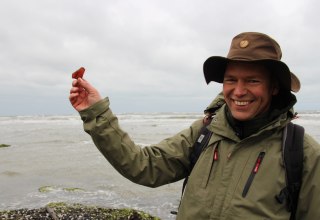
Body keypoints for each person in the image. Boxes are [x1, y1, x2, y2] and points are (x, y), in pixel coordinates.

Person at [69, 32, 320, 219]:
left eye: (252, 80)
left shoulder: (302, 153)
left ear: (274, 87)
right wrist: (97, 112)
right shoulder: (204, 132)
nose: (239, 91)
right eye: (230, 80)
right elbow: (143, 166)